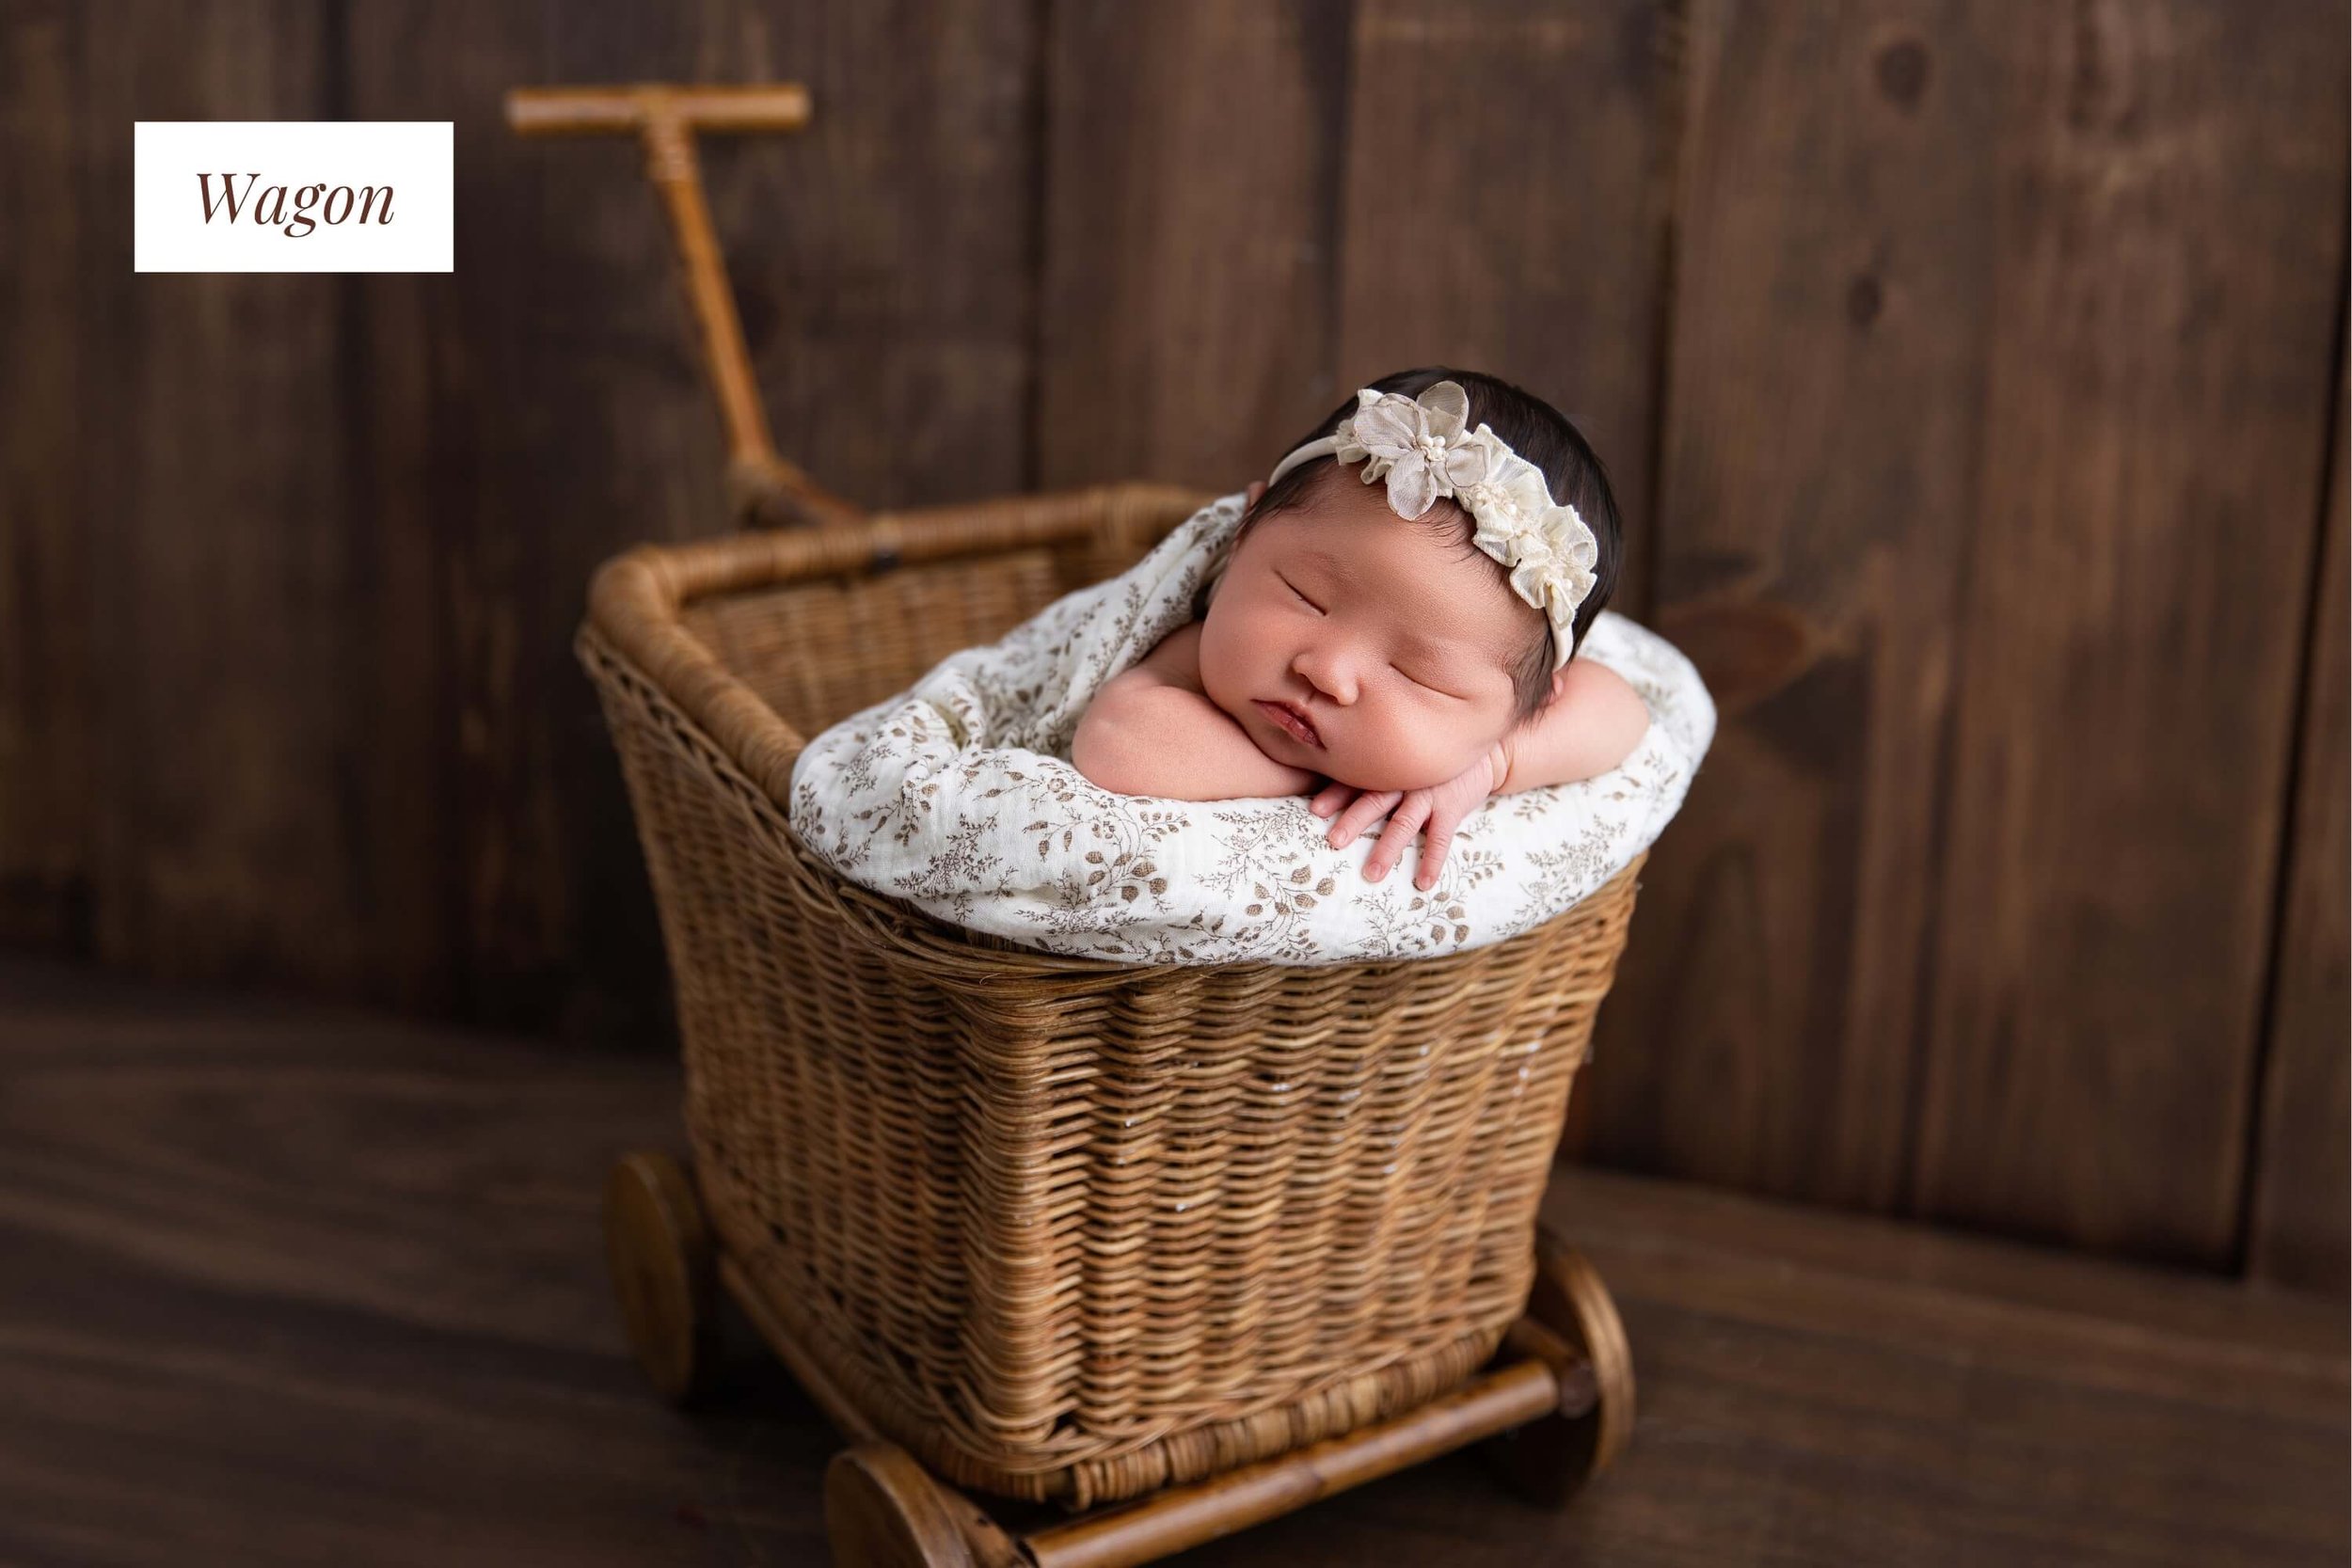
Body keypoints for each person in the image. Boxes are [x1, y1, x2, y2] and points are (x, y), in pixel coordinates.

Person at [1072, 366, 1653, 892]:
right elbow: (1118, 745)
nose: (1327, 673)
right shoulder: (1198, 647)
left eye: (1418, 673)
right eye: (1306, 598)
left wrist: (1490, 763)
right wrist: (1333, 781)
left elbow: (1624, 712)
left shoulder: (1518, 709)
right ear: (1244, 532)